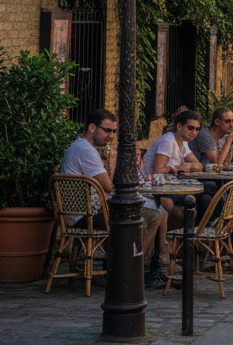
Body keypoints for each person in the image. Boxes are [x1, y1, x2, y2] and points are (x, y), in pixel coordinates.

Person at [60, 110, 166, 287]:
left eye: (113, 131)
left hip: (82, 211)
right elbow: (108, 186)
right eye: (107, 130)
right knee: (150, 216)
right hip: (86, 215)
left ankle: (120, 266)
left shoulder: (80, 146)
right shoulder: (86, 150)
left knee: (146, 214)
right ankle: (133, 271)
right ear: (92, 127)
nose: (111, 136)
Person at [140, 109, 204, 231]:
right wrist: (171, 168)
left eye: (197, 129)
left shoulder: (183, 143)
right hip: (154, 188)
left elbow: (199, 166)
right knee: (185, 210)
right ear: (179, 126)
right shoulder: (168, 141)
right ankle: (167, 242)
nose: (194, 132)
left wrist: (189, 166)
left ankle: (183, 240)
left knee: (200, 199)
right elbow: (156, 171)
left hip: (169, 187)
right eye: (190, 128)